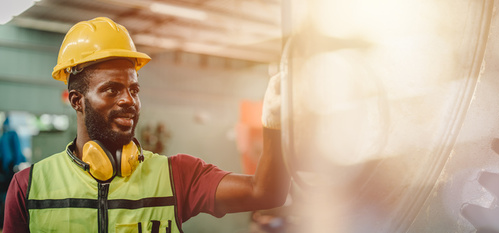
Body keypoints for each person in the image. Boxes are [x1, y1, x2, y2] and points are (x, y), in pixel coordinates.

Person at [3, 17, 289, 233]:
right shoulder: (29, 187)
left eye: (134, 90)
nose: (129, 101)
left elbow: (266, 192)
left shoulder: (176, 176)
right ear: (77, 101)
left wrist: (273, 123)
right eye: (112, 90)